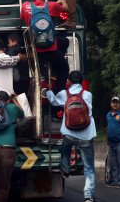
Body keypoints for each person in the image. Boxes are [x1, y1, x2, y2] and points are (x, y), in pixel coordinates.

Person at [46, 71, 96, 202]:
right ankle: (89, 196)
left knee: (66, 146)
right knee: (89, 166)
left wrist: (49, 91)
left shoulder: (64, 94)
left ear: (69, 82)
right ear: (81, 82)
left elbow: (53, 101)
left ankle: (65, 170)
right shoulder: (88, 95)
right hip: (86, 134)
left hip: (69, 133)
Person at [20, 0, 70, 95]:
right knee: (64, 68)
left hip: (35, 49)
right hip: (50, 48)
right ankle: (57, 93)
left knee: (63, 42)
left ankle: (48, 68)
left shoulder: (25, 6)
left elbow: (22, 18)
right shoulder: (51, 6)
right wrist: (61, 2)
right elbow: (67, 8)